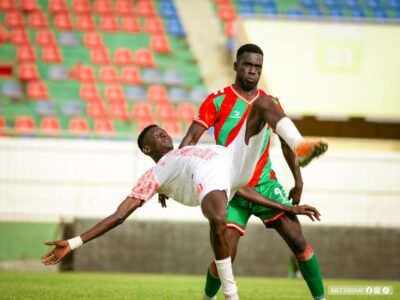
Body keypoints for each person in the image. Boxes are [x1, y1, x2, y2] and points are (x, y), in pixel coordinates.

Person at [42, 93, 326, 300]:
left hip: (233, 163)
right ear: (146, 149)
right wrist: (73, 242)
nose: (164, 134)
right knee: (218, 217)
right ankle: (230, 294)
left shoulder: (184, 152)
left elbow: (242, 187)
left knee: (264, 103)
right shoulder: (156, 174)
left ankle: (299, 146)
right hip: (213, 181)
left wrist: (288, 207)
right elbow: (119, 215)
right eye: (156, 135)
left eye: (164, 131)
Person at [179, 44, 326, 300]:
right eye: (247, 65)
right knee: (226, 254)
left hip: (265, 184)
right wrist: (175, 174)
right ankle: (208, 298)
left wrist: (298, 180)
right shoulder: (217, 100)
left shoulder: (270, 103)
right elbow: (190, 139)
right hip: (233, 188)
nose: (252, 71)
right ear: (236, 66)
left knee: (299, 242)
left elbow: (283, 142)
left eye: (257, 67)